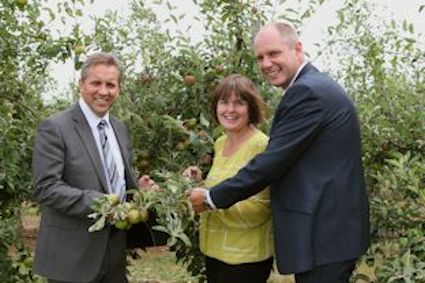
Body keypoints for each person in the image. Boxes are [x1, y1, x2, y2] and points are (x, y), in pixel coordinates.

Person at [188, 22, 370, 283]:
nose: (265, 63)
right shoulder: (315, 86)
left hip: (325, 233)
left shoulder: (306, 92)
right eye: (260, 57)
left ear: (297, 49)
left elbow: (271, 163)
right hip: (331, 231)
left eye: (273, 54)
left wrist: (212, 197)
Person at [32, 52, 152, 283]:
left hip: (114, 249)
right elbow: (45, 187)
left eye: (111, 85)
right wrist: (100, 203)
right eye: (96, 83)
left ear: (118, 89)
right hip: (72, 256)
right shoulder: (56, 127)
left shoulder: (119, 128)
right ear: (81, 84)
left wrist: (137, 189)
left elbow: (114, 179)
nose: (103, 91)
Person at [183, 74, 273, 283]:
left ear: (251, 108)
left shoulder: (261, 146)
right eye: (224, 102)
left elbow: (261, 207)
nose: (230, 110)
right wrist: (199, 182)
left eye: (239, 103)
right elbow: (224, 188)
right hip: (214, 251)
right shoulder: (221, 142)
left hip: (245, 256)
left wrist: (207, 201)